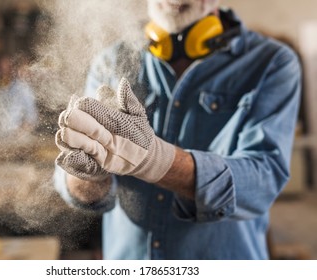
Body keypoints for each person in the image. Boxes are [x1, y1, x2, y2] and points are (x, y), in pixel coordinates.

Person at [54, 0, 301, 259]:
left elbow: (263, 182)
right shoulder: (111, 61)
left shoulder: (272, 63)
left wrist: (154, 160)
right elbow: (78, 189)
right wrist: (88, 175)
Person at [0, 54, 38, 138]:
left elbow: (31, 118)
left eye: (4, 69)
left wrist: (18, 135)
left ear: (11, 69)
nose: (1, 73)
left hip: (17, 141)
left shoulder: (22, 89)